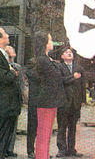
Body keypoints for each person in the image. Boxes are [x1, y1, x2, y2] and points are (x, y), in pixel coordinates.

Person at [0, 28, 22, 159]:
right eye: (5, 34)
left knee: (2, 142)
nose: (7, 36)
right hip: (1, 107)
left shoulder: (1, 55)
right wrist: (12, 72)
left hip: (7, 107)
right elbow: (5, 78)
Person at [35, 31, 67, 159]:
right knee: (44, 133)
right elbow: (57, 76)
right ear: (44, 43)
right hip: (46, 101)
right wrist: (58, 66)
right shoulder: (43, 59)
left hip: (51, 100)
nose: (52, 42)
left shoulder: (47, 59)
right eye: (50, 40)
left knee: (47, 134)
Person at [56, 47, 86, 158]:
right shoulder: (59, 67)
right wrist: (73, 77)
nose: (69, 53)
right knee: (62, 126)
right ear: (62, 56)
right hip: (64, 101)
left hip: (75, 101)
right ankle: (62, 149)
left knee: (73, 127)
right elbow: (60, 81)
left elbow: (83, 85)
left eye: (70, 52)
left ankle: (71, 149)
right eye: (66, 52)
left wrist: (83, 100)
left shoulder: (79, 68)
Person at [4, 46, 24, 157]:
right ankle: (3, 148)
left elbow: (20, 83)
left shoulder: (17, 67)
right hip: (6, 100)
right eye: (11, 51)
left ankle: (10, 148)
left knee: (13, 125)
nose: (13, 53)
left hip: (16, 99)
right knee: (5, 125)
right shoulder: (3, 66)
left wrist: (21, 97)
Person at [25, 57, 41, 159]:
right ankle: (30, 150)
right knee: (32, 126)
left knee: (42, 127)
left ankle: (41, 150)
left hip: (44, 100)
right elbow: (34, 76)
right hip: (35, 100)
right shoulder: (32, 64)